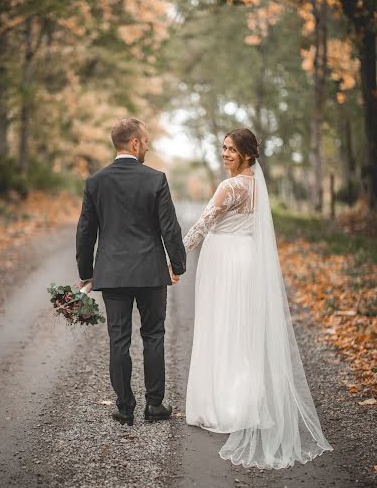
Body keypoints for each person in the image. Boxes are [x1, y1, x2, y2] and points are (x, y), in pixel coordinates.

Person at [181, 128, 333, 469]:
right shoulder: (257, 187)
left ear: (248, 154)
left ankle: (224, 405)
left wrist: (172, 261)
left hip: (224, 261)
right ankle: (247, 401)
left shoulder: (229, 186)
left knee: (222, 326)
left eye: (232, 150)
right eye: (223, 148)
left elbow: (202, 225)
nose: (225, 154)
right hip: (246, 258)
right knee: (241, 329)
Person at [76, 118, 186, 426]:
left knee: (118, 339)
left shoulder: (95, 182)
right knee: (153, 335)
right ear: (134, 143)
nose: (148, 146)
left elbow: (85, 232)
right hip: (150, 272)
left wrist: (87, 272)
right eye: (147, 141)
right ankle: (154, 406)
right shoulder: (156, 179)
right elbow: (170, 228)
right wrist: (177, 265)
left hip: (112, 274)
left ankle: (124, 408)